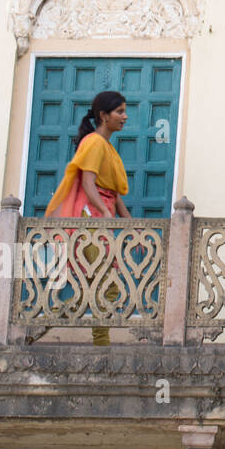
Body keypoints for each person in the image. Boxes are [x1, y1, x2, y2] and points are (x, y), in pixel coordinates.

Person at [45, 91, 131, 346]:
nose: (125, 117)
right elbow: (88, 183)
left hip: (102, 217)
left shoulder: (104, 145)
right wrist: (104, 213)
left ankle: (99, 343)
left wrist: (127, 221)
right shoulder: (94, 142)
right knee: (104, 283)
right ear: (104, 116)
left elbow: (112, 192)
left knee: (103, 282)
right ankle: (100, 346)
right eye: (120, 112)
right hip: (92, 219)